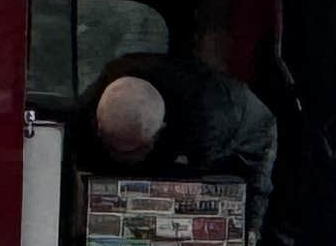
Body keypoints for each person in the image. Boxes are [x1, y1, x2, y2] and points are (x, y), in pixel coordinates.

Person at [75, 26, 276, 205]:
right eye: (113, 148)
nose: (119, 158)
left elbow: (188, 187)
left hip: (249, 129)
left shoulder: (205, 125)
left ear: (159, 131)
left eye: (130, 153)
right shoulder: (103, 87)